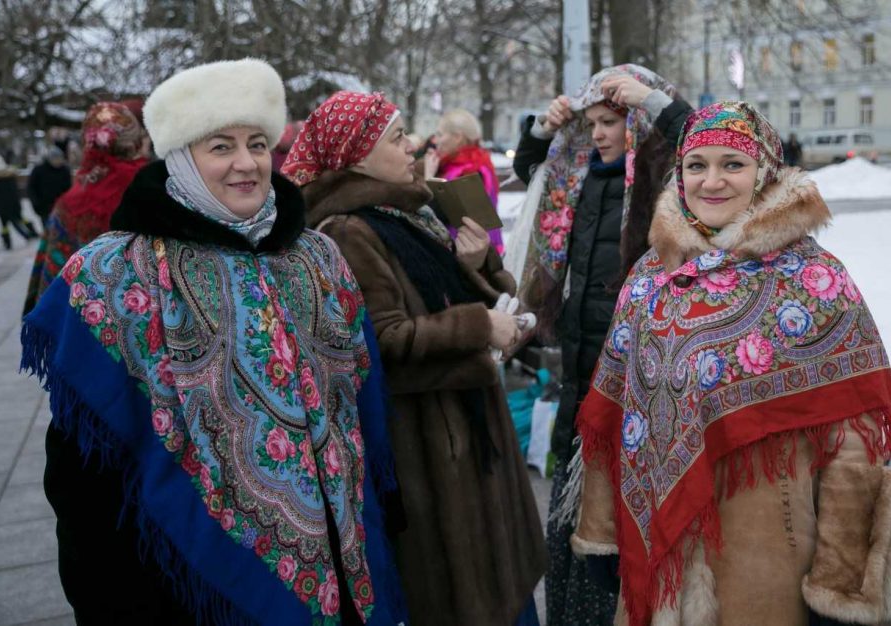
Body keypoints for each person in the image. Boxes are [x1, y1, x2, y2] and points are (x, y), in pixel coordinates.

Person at [21, 59, 406, 626]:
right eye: (220, 147)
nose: (247, 163)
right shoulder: (114, 273)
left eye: (256, 142)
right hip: (183, 587)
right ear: (179, 156)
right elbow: (83, 474)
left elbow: (362, 407)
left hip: (341, 566)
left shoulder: (317, 258)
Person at [572, 101, 891, 626]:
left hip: (764, 561)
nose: (712, 181)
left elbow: (855, 444)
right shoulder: (650, 277)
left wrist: (840, 582)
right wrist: (601, 534)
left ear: (766, 173)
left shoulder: (816, 281)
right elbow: (615, 416)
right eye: (697, 165)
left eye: (733, 164)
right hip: (656, 566)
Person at [282, 91, 548, 626]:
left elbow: (446, 298)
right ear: (356, 154)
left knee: (501, 595)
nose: (414, 146)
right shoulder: (348, 231)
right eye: (397, 137)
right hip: (432, 455)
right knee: (466, 599)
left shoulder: (403, 212)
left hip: (465, 442)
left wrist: (479, 265)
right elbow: (382, 342)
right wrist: (480, 327)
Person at [510, 64, 691, 626]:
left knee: (620, 507)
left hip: (638, 371)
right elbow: (528, 167)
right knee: (572, 506)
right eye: (591, 124)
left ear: (637, 123)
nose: (599, 135)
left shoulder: (665, 182)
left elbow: (705, 141)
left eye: (611, 121)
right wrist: (543, 129)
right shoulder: (580, 174)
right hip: (581, 363)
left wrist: (657, 100)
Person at [23, 102, 147, 316]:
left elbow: (53, 281)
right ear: (133, 141)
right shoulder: (156, 190)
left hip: (85, 324)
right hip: (145, 327)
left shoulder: (67, 206)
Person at [423, 108, 505, 255]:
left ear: (458, 138)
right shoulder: (465, 165)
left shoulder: (470, 172)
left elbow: (437, 217)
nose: (435, 140)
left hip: (472, 259)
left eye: (440, 134)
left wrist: (429, 177)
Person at [0, 154, 38, 249]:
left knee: (4, 225)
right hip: (14, 204)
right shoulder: (10, 174)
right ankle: (32, 232)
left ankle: (8, 243)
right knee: (21, 219)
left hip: (1, 207)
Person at [26, 147, 73, 230]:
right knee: (48, 230)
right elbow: (31, 187)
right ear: (50, 159)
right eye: (56, 159)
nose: (59, 161)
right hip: (44, 207)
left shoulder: (65, 170)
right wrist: (36, 203)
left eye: (60, 158)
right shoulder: (39, 170)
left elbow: (68, 188)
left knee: (64, 230)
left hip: (61, 206)